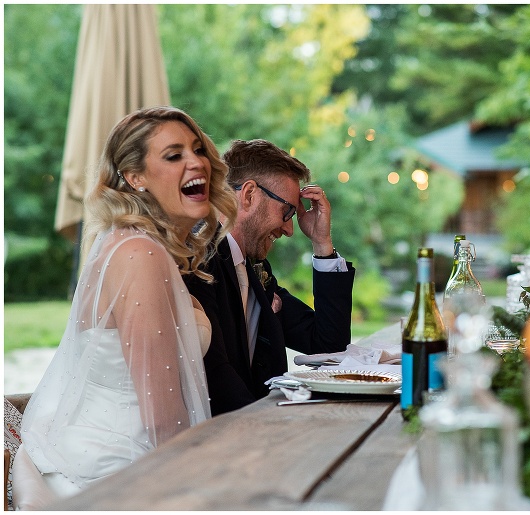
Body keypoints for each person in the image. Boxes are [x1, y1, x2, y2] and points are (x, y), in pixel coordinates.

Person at [11, 106, 238, 509]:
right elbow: (163, 420)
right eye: (174, 155)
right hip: (115, 470)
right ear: (135, 178)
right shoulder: (139, 254)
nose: (196, 162)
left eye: (198, 149)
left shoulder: (139, 245)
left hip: (122, 452)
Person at [184, 139, 355, 415]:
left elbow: (329, 346)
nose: (290, 229)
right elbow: (214, 372)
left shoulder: (255, 267)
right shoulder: (199, 257)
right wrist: (266, 424)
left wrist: (322, 244)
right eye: (287, 212)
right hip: (226, 430)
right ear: (249, 195)